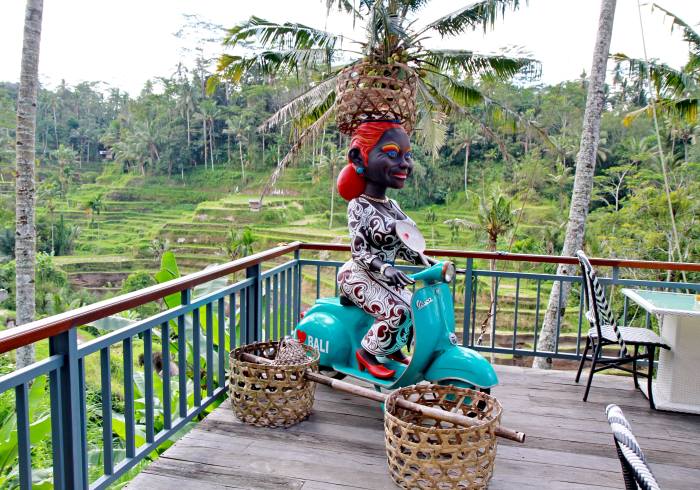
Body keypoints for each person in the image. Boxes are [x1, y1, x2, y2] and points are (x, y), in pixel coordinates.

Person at [336, 121, 435, 379]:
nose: (404, 164)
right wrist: (385, 268)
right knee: (399, 311)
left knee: (417, 305)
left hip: (382, 277)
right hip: (357, 274)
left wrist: (431, 263)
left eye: (407, 156)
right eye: (392, 154)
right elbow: (359, 252)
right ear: (360, 158)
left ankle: (393, 349)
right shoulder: (359, 205)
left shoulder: (392, 206)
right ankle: (367, 353)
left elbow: (406, 246)